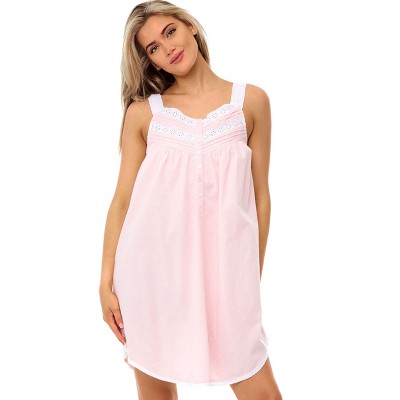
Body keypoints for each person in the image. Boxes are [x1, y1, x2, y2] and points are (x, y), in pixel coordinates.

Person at [99, 1, 282, 399]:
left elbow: (261, 199)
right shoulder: (143, 114)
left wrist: (249, 278)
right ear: (150, 61)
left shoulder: (251, 102)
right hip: (150, 275)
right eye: (153, 48)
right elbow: (122, 201)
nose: (168, 48)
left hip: (226, 275)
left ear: (190, 27)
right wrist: (105, 282)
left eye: (170, 32)